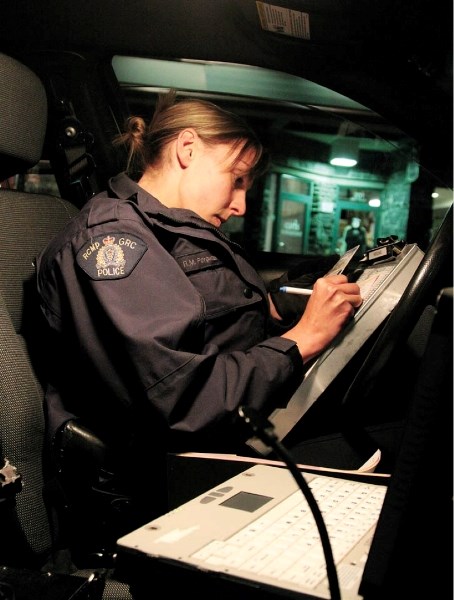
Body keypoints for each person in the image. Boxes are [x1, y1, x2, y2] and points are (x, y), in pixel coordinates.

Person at [36, 91, 362, 530]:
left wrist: (279, 308)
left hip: (230, 435)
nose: (241, 205)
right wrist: (302, 341)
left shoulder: (173, 226)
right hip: (165, 485)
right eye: (238, 180)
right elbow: (179, 397)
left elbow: (213, 309)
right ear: (187, 149)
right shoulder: (113, 241)